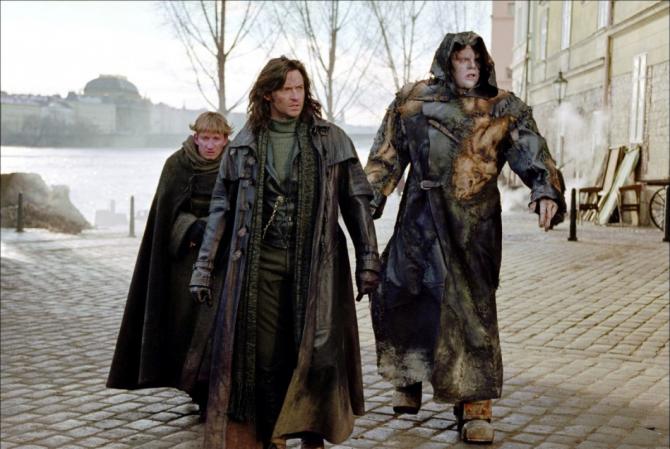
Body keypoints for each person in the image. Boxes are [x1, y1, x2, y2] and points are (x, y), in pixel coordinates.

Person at [364, 31, 566, 444]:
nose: (471, 66)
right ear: (447, 62)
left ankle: (476, 404)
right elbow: (385, 158)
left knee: (471, 311)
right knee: (401, 292)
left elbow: (532, 151)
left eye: (476, 58)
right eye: (462, 59)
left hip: (473, 226)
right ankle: (409, 375)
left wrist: (545, 188)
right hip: (419, 221)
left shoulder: (503, 107)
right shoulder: (412, 102)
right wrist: (364, 204)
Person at [189, 56, 380, 449]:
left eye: (300, 88)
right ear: (268, 94)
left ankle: (313, 431)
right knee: (263, 354)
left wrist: (368, 260)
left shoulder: (332, 139)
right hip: (261, 263)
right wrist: (203, 267)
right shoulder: (243, 145)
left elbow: (357, 200)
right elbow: (221, 209)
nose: (296, 96)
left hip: (318, 262)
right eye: (287, 89)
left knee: (317, 350)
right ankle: (272, 432)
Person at [107, 112, 232, 415]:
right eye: (205, 138)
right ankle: (192, 385)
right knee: (184, 326)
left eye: (216, 139)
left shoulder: (235, 165)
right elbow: (164, 214)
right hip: (183, 260)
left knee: (215, 327)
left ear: (225, 139)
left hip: (222, 258)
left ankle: (209, 390)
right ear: (195, 137)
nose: (210, 145)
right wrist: (190, 227)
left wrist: (218, 231)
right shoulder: (177, 165)